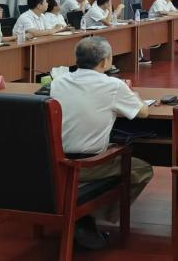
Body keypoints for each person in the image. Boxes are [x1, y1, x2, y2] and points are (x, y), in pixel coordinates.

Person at [50, 37, 154, 250]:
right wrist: (135, 96)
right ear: (105, 61)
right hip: (88, 165)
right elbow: (143, 112)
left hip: (55, 163)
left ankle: (82, 217)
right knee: (142, 169)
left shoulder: (58, 82)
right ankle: (86, 215)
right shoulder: (113, 85)